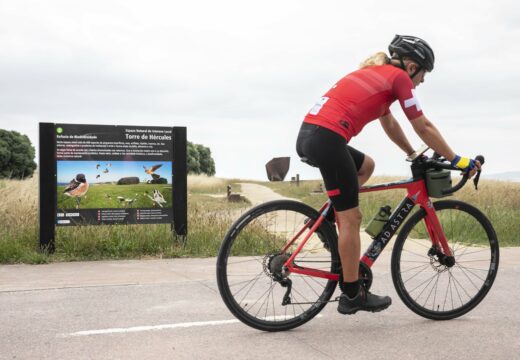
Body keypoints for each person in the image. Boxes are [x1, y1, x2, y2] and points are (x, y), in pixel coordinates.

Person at [296, 34, 480, 315]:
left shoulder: (375, 75)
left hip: (312, 135)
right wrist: (457, 159)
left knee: (366, 166)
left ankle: (327, 220)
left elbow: (389, 122)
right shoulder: (399, 79)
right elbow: (423, 126)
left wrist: (413, 153)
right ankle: (352, 294)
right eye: (423, 73)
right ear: (411, 66)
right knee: (352, 218)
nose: (422, 81)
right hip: (327, 139)